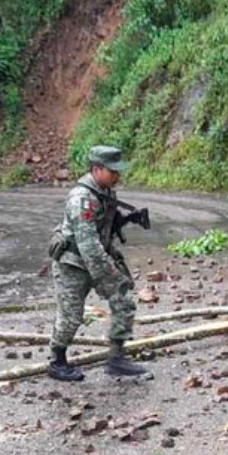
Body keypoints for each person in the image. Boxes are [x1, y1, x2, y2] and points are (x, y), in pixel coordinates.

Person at [46, 145, 148, 381]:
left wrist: (127, 220)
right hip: (72, 264)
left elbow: (104, 227)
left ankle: (117, 359)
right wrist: (110, 273)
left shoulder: (105, 192)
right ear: (96, 169)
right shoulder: (81, 199)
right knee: (71, 316)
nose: (117, 176)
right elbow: (88, 245)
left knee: (123, 301)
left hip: (97, 257)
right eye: (112, 171)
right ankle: (57, 361)